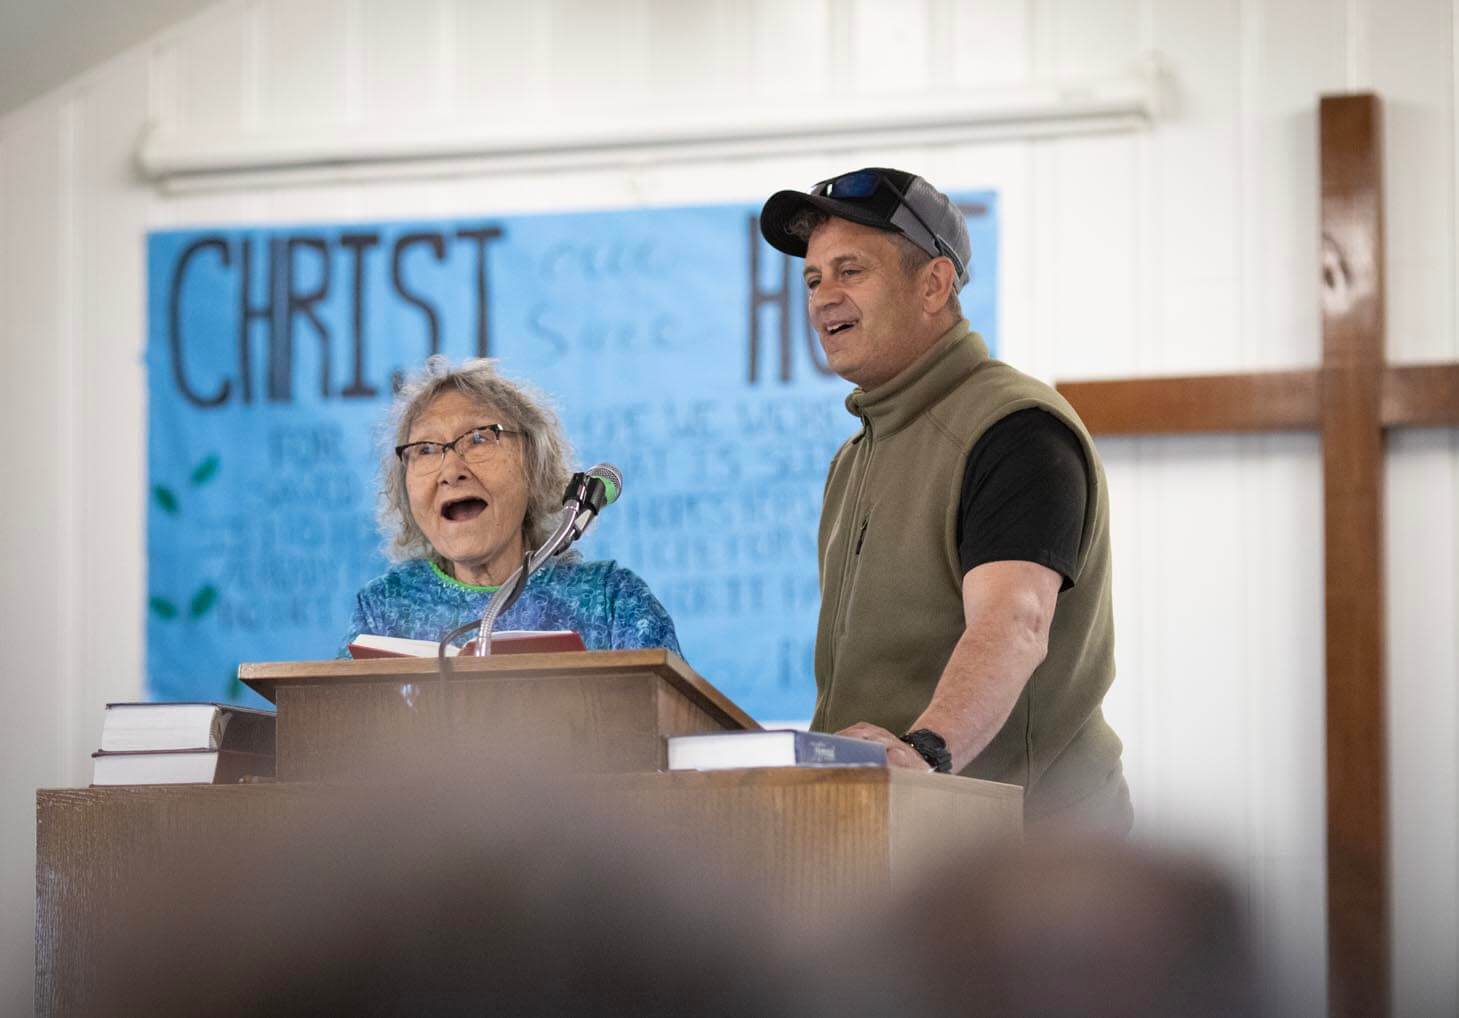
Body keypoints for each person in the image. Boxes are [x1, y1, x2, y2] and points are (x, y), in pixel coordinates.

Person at [759, 168, 1130, 831]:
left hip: (1023, 857)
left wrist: (925, 753)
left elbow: (1012, 622)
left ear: (932, 284)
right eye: (813, 279)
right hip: (895, 835)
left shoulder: (1012, 428)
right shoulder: (857, 455)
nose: (822, 297)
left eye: (851, 271)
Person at [340, 356, 680, 655]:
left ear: (534, 464)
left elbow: (671, 717)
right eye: (426, 449)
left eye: (479, 439)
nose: (451, 471)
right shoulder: (384, 609)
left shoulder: (612, 601)